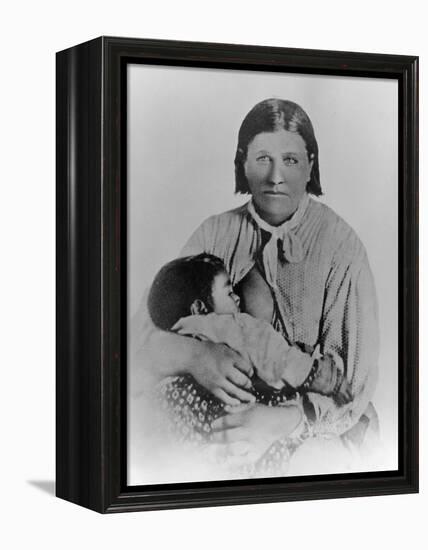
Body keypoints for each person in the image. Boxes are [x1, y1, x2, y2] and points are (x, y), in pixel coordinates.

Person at [131, 98, 379, 476]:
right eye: (262, 158)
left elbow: (354, 387)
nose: (275, 176)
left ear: (311, 163)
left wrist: (284, 421)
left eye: (291, 160)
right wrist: (195, 357)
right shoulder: (215, 232)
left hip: (312, 435)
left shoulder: (342, 247)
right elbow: (141, 342)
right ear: (243, 163)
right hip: (221, 423)